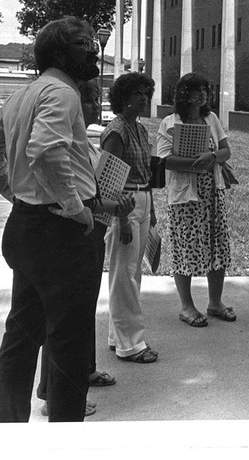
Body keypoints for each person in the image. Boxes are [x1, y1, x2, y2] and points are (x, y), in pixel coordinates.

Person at [0, 16, 104, 422]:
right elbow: (45, 151)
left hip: (26, 228)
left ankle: (5, 432)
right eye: (84, 43)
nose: (94, 50)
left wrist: (17, 195)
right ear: (61, 51)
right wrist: (76, 207)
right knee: (69, 344)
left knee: (21, 337)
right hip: (62, 234)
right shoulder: (62, 93)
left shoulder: (20, 96)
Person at [36, 80, 133, 416]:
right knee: (64, 320)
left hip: (92, 234)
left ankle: (84, 371)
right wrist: (105, 206)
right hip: (73, 236)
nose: (95, 106)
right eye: (88, 100)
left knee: (82, 313)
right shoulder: (71, 150)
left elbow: (95, 198)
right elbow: (76, 198)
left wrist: (117, 206)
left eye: (96, 100)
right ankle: (52, 394)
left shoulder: (90, 147)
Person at [156, 72, 235, 327]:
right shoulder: (170, 122)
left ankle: (215, 303)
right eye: (195, 90)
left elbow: (226, 151)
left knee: (217, 245)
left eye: (204, 89)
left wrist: (212, 157)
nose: (201, 94)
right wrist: (194, 162)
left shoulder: (211, 118)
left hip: (213, 192)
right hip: (186, 196)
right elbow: (164, 159)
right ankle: (187, 307)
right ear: (183, 94)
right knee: (185, 246)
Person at [102, 72, 159, 363]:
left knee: (133, 274)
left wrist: (152, 209)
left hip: (143, 199)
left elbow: (146, 172)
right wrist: (121, 218)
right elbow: (108, 180)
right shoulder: (117, 131)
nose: (145, 99)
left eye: (147, 93)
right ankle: (131, 344)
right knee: (123, 275)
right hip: (125, 205)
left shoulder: (140, 129)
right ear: (124, 99)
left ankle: (119, 336)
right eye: (140, 94)